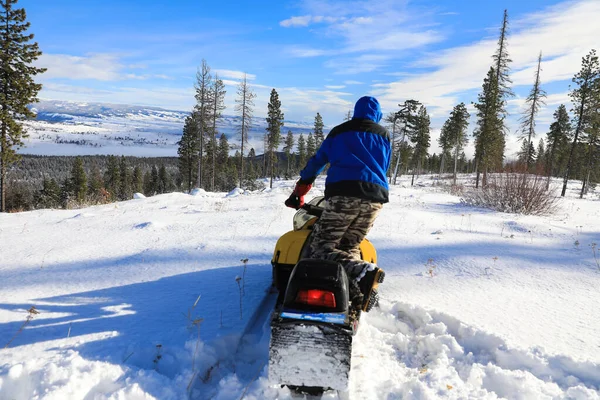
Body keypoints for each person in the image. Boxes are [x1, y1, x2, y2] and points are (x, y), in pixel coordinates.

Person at [285, 96, 391, 310]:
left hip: (343, 195)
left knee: (319, 248)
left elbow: (317, 162)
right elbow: (384, 166)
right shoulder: (384, 135)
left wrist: (300, 189)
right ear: (377, 114)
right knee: (349, 246)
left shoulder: (339, 132)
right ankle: (357, 294)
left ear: (356, 111)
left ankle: (364, 271)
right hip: (375, 199)